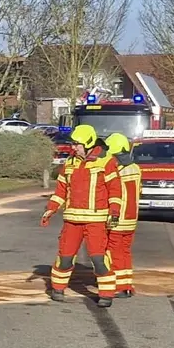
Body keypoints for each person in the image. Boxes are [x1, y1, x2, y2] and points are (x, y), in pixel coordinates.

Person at [41, 123, 123, 306]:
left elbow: (115, 191)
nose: (73, 147)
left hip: (96, 221)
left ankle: (106, 294)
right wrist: (51, 209)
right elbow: (61, 191)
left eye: (77, 144)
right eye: (73, 144)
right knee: (65, 257)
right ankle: (58, 288)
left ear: (88, 144)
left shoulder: (106, 162)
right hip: (72, 221)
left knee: (98, 259)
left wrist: (114, 212)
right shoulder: (69, 163)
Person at [103, 132, 142, 298]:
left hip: (117, 219)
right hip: (131, 219)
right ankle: (126, 285)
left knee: (113, 253)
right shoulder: (135, 168)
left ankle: (117, 286)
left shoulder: (117, 170)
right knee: (125, 252)